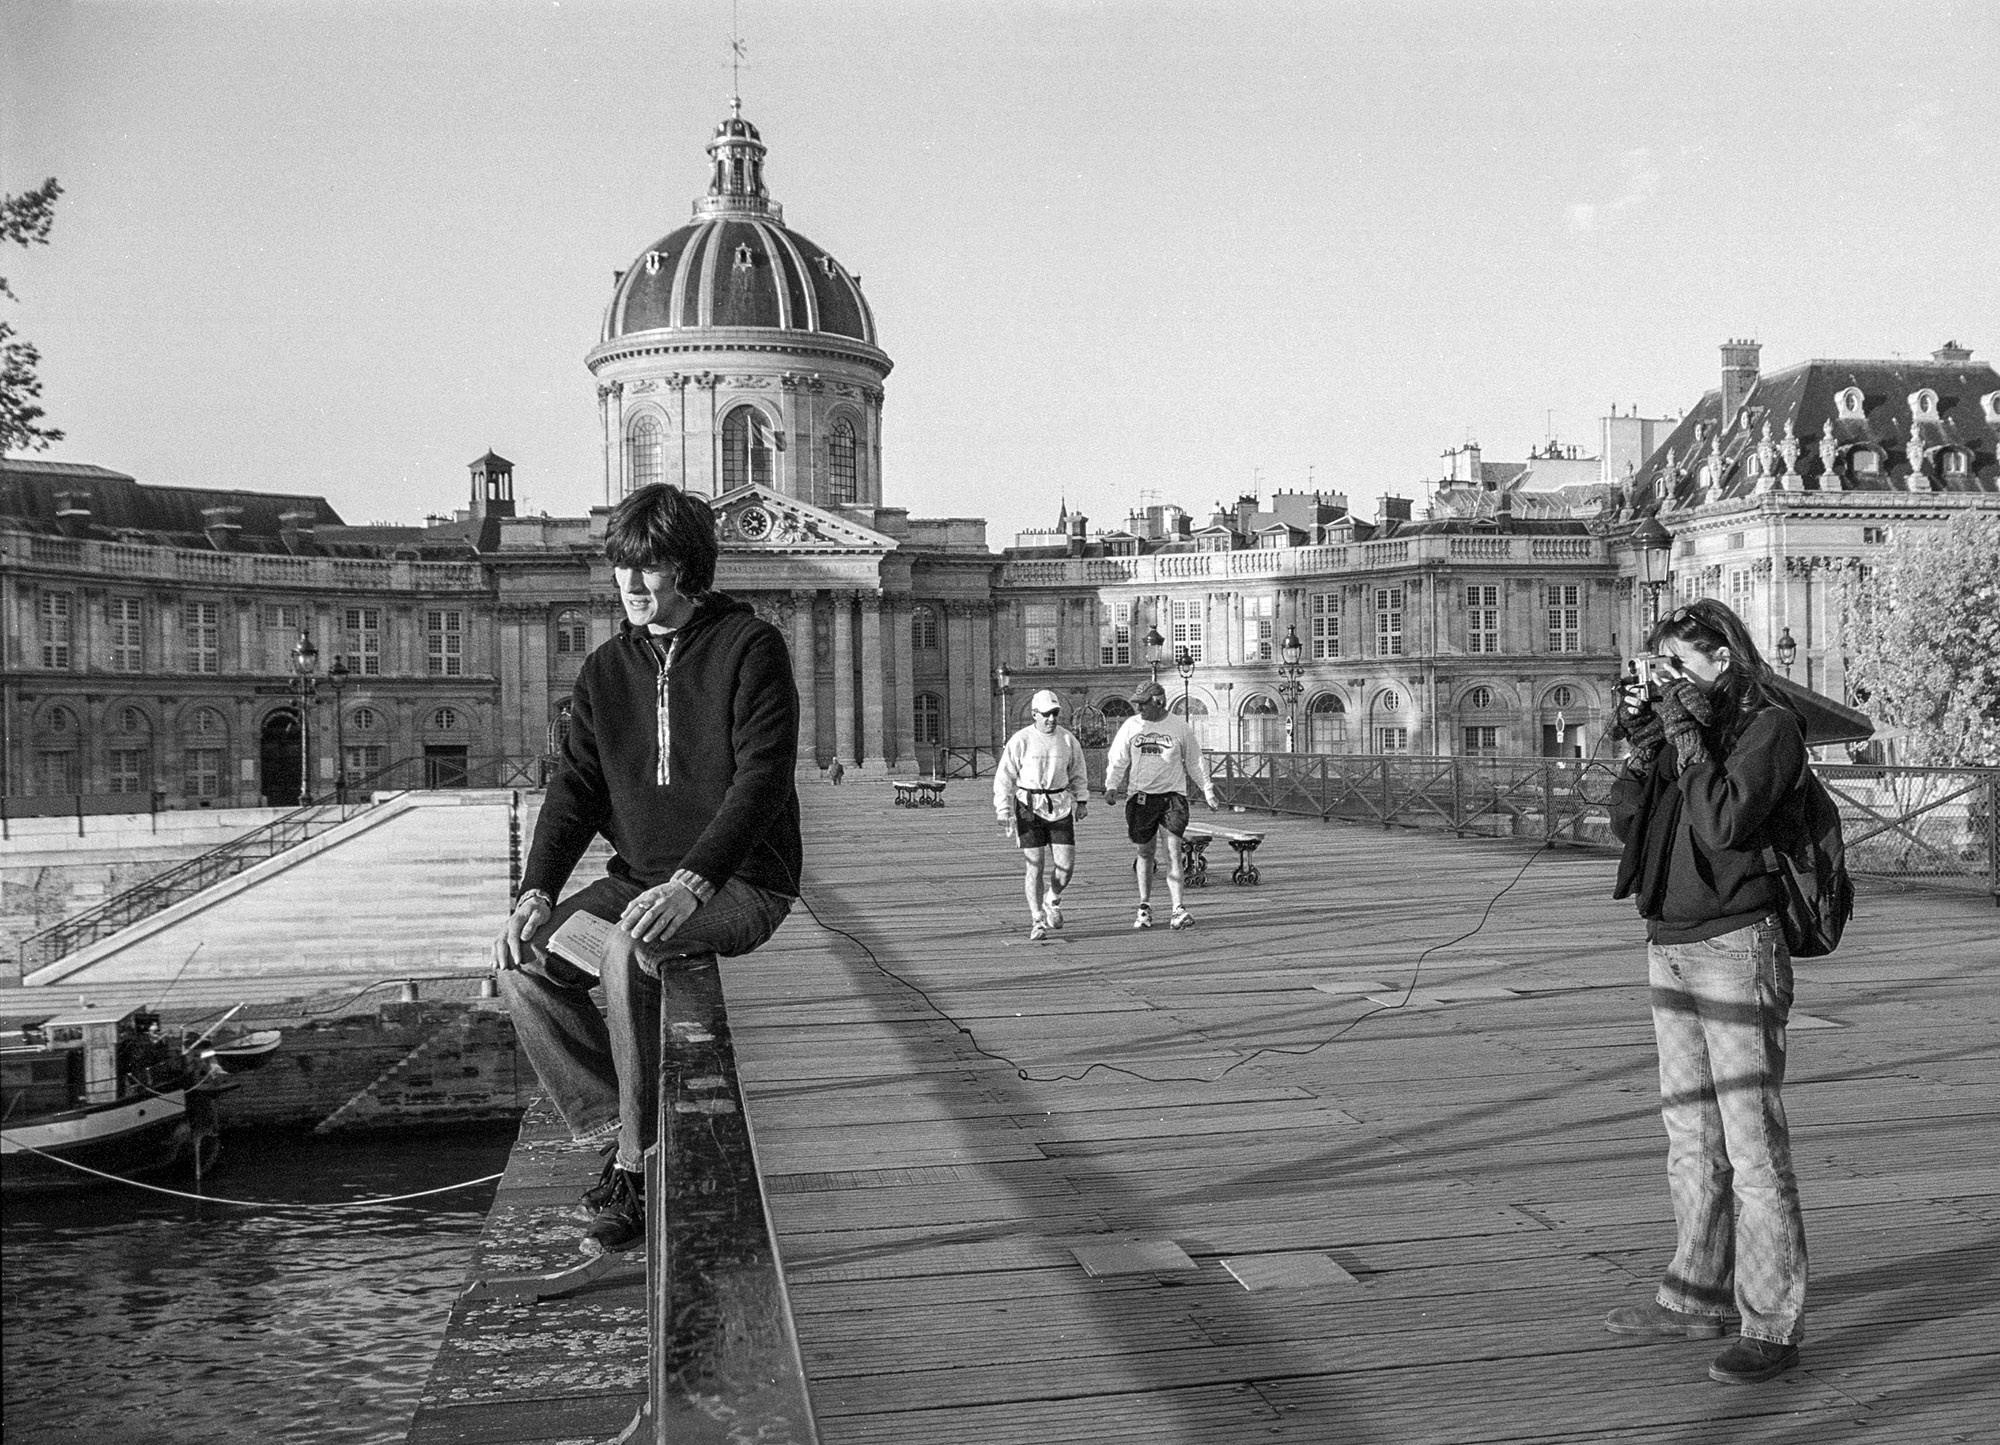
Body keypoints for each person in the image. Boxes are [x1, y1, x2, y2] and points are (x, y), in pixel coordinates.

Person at [492, 483, 801, 1254]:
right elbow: (577, 789)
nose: (631, 586)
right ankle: (615, 1126)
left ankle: (636, 1168)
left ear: (688, 568)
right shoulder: (604, 670)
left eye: (651, 567)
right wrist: (536, 889)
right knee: (522, 960)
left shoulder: (751, 647)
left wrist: (693, 879)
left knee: (631, 952)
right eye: (623, 568)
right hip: (639, 879)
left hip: (741, 880)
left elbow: (760, 779)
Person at [1604, 597, 1810, 1385]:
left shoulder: (1771, 730)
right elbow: (1630, 823)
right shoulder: (1681, 730)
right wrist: (1642, 742)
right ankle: (1696, 1292)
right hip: (1671, 946)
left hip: (1734, 946)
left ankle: (1772, 1321)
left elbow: (1724, 821)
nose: (1666, 682)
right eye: (1658, 670)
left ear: (1722, 657)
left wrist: (1688, 736)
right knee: (1690, 1137)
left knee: (1753, 1146)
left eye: (1677, 667)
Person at [1103, 679, 1218, 931]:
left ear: (1158, 702)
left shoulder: (1179, 727)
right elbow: (1118, 757)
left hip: (1172, 797)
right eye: (1137, 704)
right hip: (1141, 797)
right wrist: (1112, 785)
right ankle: (1144, 906)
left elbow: (1195, 761)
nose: (1139, 709)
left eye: (1143, 704)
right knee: (1145, 852)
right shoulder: (1131, 726)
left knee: (1173, 851)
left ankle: (1178, 908)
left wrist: (1207, 791)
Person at [993, 688, 1090, 941]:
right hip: (1028, 805)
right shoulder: (1020, 740)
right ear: (1034, 714)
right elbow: (1004, 777)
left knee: (1066, 865)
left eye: (1055, 714)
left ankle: (1052, 899)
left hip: (1059, 804)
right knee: (1035, 865)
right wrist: (1003, 809)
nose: (1051, 719)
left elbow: (1078, 771)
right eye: (1046, 714)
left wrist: (1082, 800)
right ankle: (1037, 919)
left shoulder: (1068, 740)